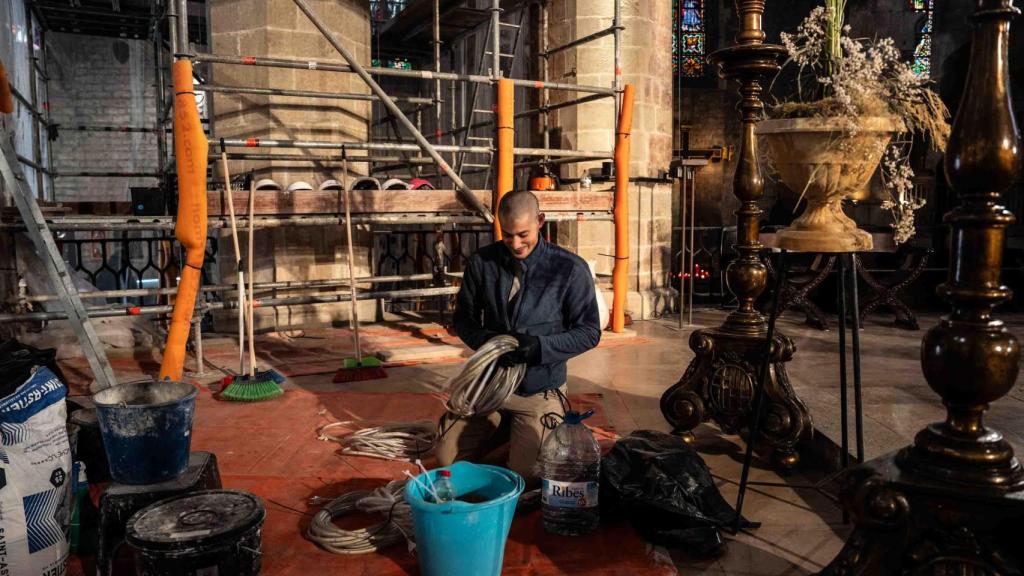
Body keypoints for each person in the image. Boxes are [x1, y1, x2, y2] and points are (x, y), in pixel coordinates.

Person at [436, 190, 602, 484]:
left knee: (526, 476)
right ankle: (504, 426)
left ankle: (519, 426)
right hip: (491, 385)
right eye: (507, 234)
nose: (515, 243)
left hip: (539, 389)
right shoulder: (482, 262)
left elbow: (589, 332)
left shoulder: (568, 269)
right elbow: (464, 318)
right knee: (446, 460)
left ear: (540, 221)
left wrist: (539, 347)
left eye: (523, 234)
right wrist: (488, 341)